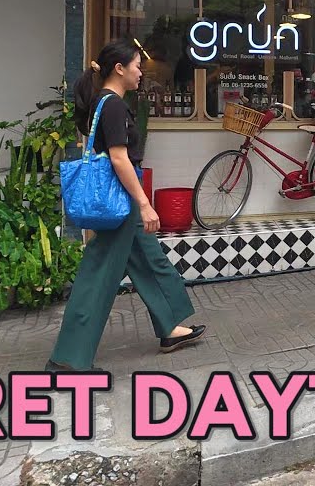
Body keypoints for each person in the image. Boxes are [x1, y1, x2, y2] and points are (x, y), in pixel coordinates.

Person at [47, 39, 207, 371]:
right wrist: (145, 203)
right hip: (118, 198)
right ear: (119, 69)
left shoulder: (100, 103)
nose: (140, 73)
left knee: (150, 259)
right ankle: (69, 359)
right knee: (98, 274)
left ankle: (171, 327)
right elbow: (119, 159)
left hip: (117, 198)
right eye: (137, 66)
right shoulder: (114, 105)